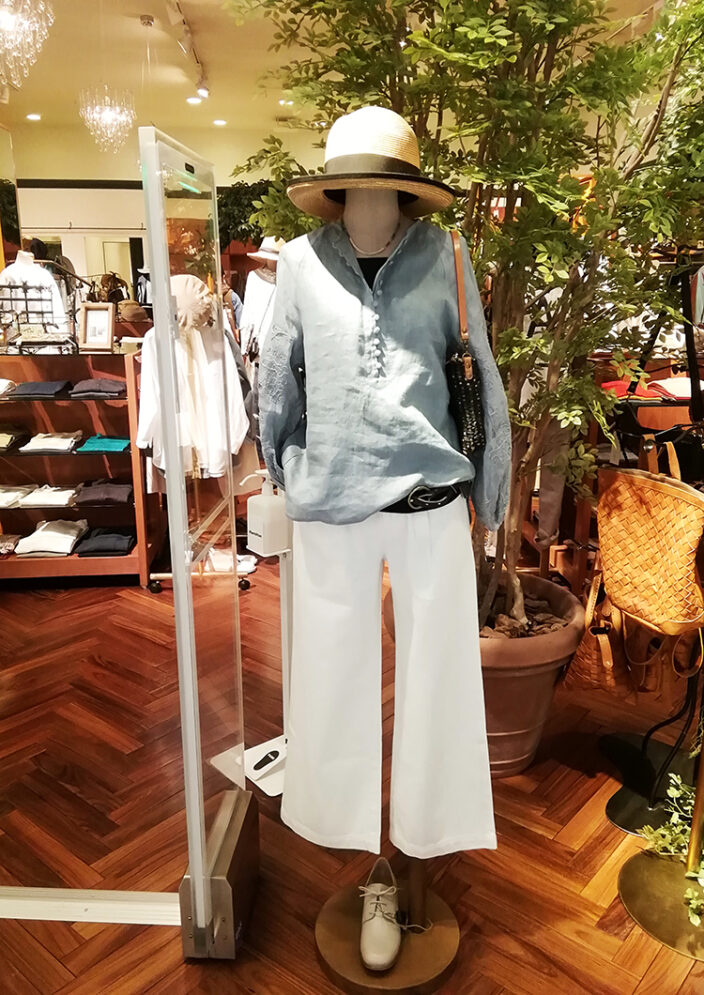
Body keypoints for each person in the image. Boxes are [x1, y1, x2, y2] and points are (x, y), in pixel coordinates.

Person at [259, 105, 511, 971]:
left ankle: (420, 845)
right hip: (333, 506)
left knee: (440, 682)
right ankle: (356, 851)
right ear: (337, 188)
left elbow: (478, 366)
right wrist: (285, 465)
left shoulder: (446, 255)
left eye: (385, 184)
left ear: (406, 189)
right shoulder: (300, 262)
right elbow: (278, 375)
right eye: (359, 183)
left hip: (430, 501)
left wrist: (491, 490)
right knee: (330, 681)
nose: (372, 197)